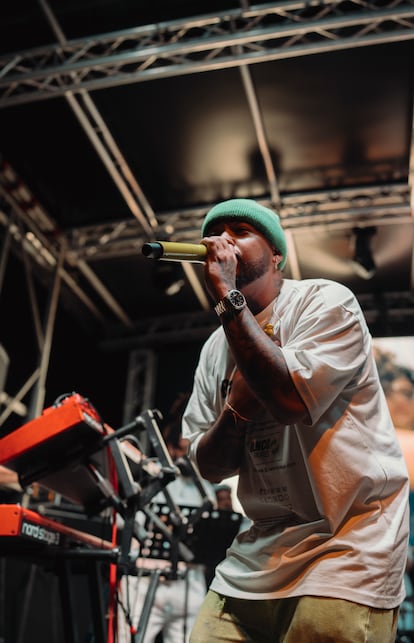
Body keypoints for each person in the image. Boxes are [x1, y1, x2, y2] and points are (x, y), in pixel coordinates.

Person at [181, 198, 410, 642]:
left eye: (240, 230)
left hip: (345, 549)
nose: (223, 240)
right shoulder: (214, 350)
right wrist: (237, 410)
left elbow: (289, 401)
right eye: (216, 232)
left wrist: (228, 300)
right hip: (254, 558)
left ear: (277, 255)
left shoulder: (325, 302)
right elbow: (208, 466)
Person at [117, 394, 216, 643]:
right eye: (183, 451)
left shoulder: (205, 487)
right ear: (170, 448)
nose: (187, 459)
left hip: (188, 584)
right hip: (145, 581)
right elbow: (124, 523)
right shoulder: (150, 477)